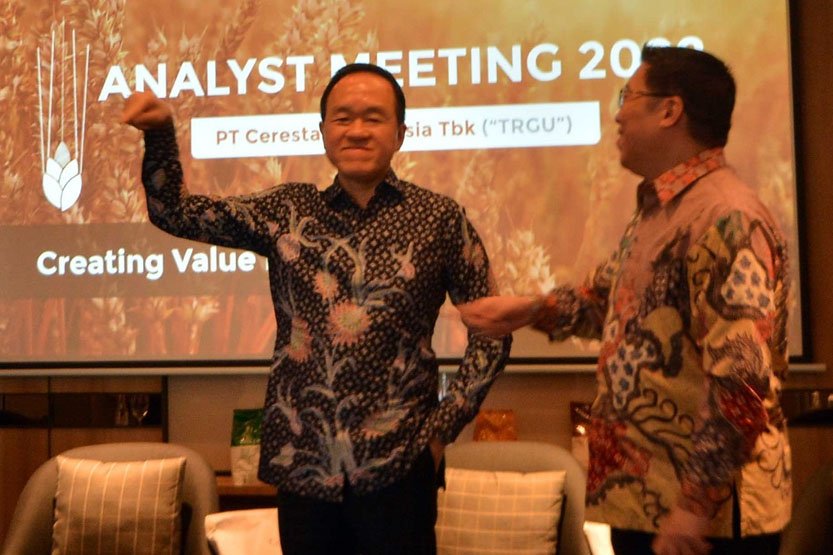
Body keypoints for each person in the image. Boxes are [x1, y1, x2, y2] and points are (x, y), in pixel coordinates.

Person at [122, 63, 511, 555]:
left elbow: (493, 328)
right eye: (343, 118)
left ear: (400, 133)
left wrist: (441, 430)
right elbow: (175, 212)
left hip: (399, 466)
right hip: (305, 463)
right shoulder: (289, 212)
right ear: (322, 131)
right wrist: (160, 133)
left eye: (373, 117)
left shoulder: (439, 218)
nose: (357, 130)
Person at [463, 46, 791, 555]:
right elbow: (602, 301)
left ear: (670, 110)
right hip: (645, 503)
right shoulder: (661, 210)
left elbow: (741, 376)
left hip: (706, 521)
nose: (617, 114)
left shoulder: (725, 216)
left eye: (628, 96)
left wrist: (694, 507)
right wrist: (529, 310)